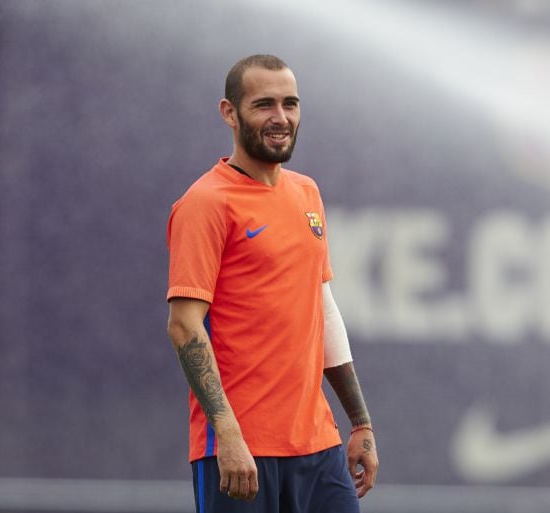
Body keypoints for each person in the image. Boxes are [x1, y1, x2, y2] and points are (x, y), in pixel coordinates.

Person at [165, 54, 379, 513]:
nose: (281, 118)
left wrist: (359, 421)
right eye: (264, 105)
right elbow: (184, 325)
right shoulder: (204, 203)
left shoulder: (307, 193)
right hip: (241, 448)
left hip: (317, 444)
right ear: (229, 113)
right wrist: (227, 431)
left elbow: (322, 306)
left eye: (290, 104)